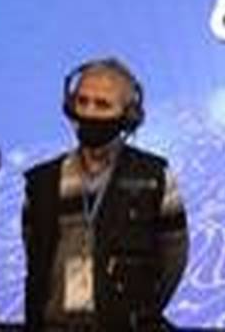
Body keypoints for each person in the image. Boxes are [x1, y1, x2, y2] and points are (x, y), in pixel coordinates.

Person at [23, 57, 188, 331]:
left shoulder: (156, 176)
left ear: (129, 115)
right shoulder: (41, 183)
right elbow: (35, 256)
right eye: (82, 101)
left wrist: (140, 313)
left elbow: (173, 259)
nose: (89, 112)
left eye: (102, 105)